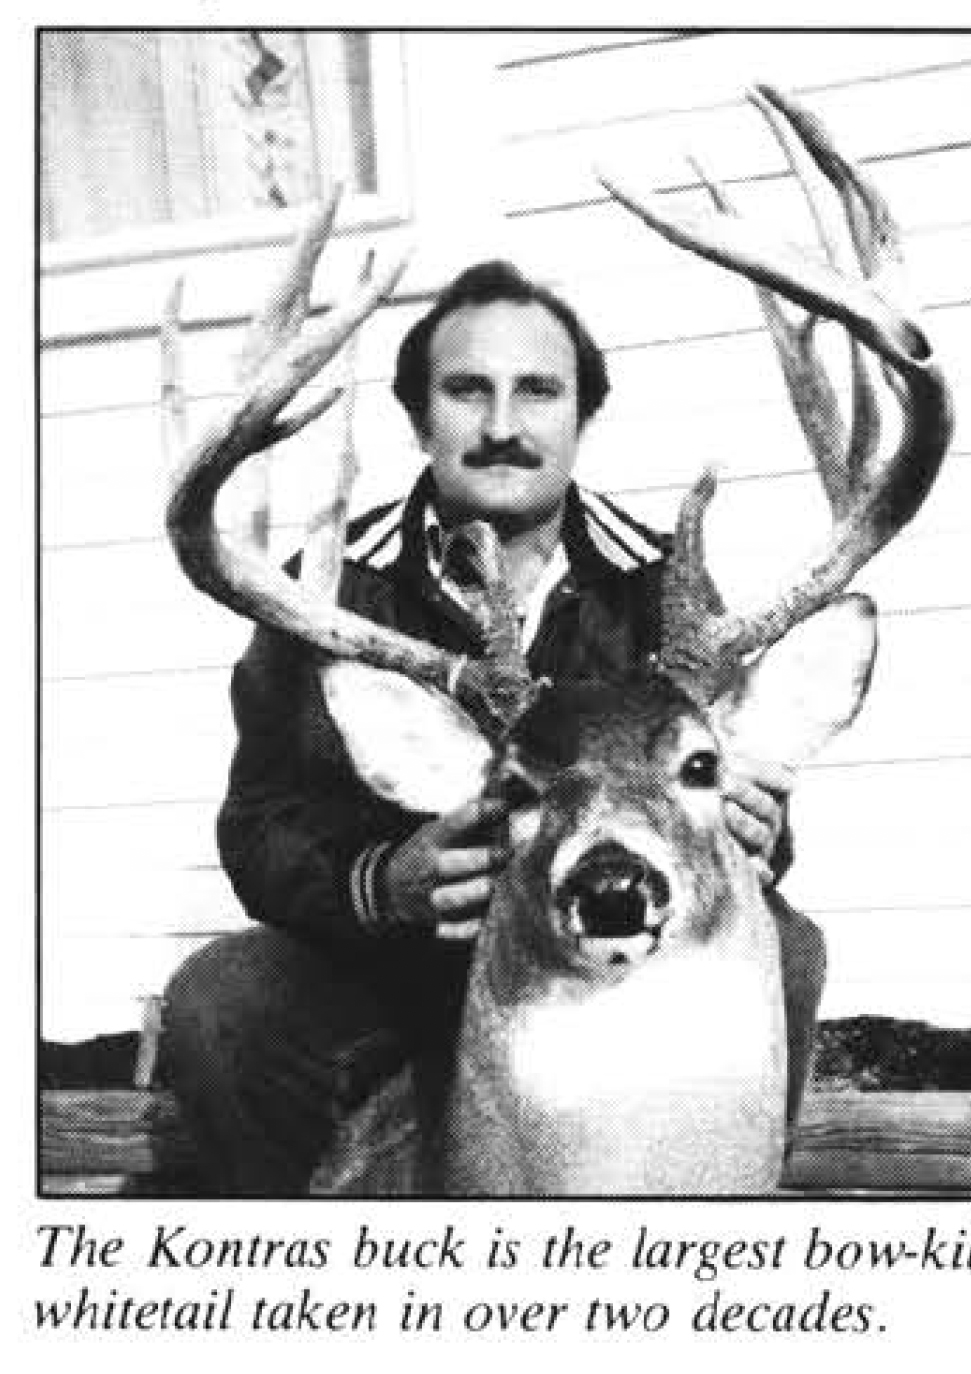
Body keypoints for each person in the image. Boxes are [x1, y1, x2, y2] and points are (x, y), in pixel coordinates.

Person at [161, 259, 825, 1195]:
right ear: (419, 416)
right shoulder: (328, 590)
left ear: (581, 415)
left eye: (538, 392)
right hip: (391, 970)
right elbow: (261, 823)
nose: (503, 426)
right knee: (219, 1003)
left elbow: (716, 789)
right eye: (467, 390)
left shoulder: (658, 589)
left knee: (784, 947)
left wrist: (760, 829)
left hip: (578, 968)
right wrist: (384, 882)